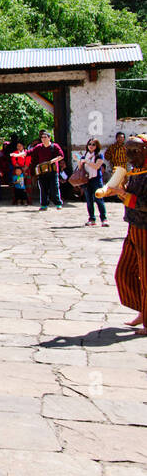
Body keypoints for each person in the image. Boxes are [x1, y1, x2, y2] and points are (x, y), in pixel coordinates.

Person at [103, 135, 147, 333]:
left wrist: (123, 194)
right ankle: (143, 309)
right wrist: (117, 190)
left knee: (146, 276)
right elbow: (130, 192)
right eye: (127, 151)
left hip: (145, 229)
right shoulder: (137, 170)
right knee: (124, 272)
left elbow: (144, 204)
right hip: (133, 226)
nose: (129, 156)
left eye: (134, 151)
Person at [25, 131, 65, 210]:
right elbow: (29, 152)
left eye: (45, 137)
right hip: (42, 171)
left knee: (54, 188)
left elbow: (61, 156)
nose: (43, 139)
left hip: (52, 171)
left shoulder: (55, 146)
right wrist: (18, 154)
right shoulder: (39, 147)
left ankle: (58, 204)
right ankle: (44, 205)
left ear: (49, 138)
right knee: (43, 189)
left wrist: (52, 161)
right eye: (42, 137)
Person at [76, 138, 108, 227]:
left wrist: (87, 161)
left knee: (99, 199)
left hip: (96, 180)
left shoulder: (99, 156)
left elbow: (97, 166)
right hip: (86, 180)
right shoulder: (84, 156)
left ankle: (104, 218)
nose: (91, 146)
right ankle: (92, 218)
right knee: (89, 200)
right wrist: (78, 161)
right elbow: (80, 168)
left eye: (93, 144)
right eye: (90, 144)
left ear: (97, 146)